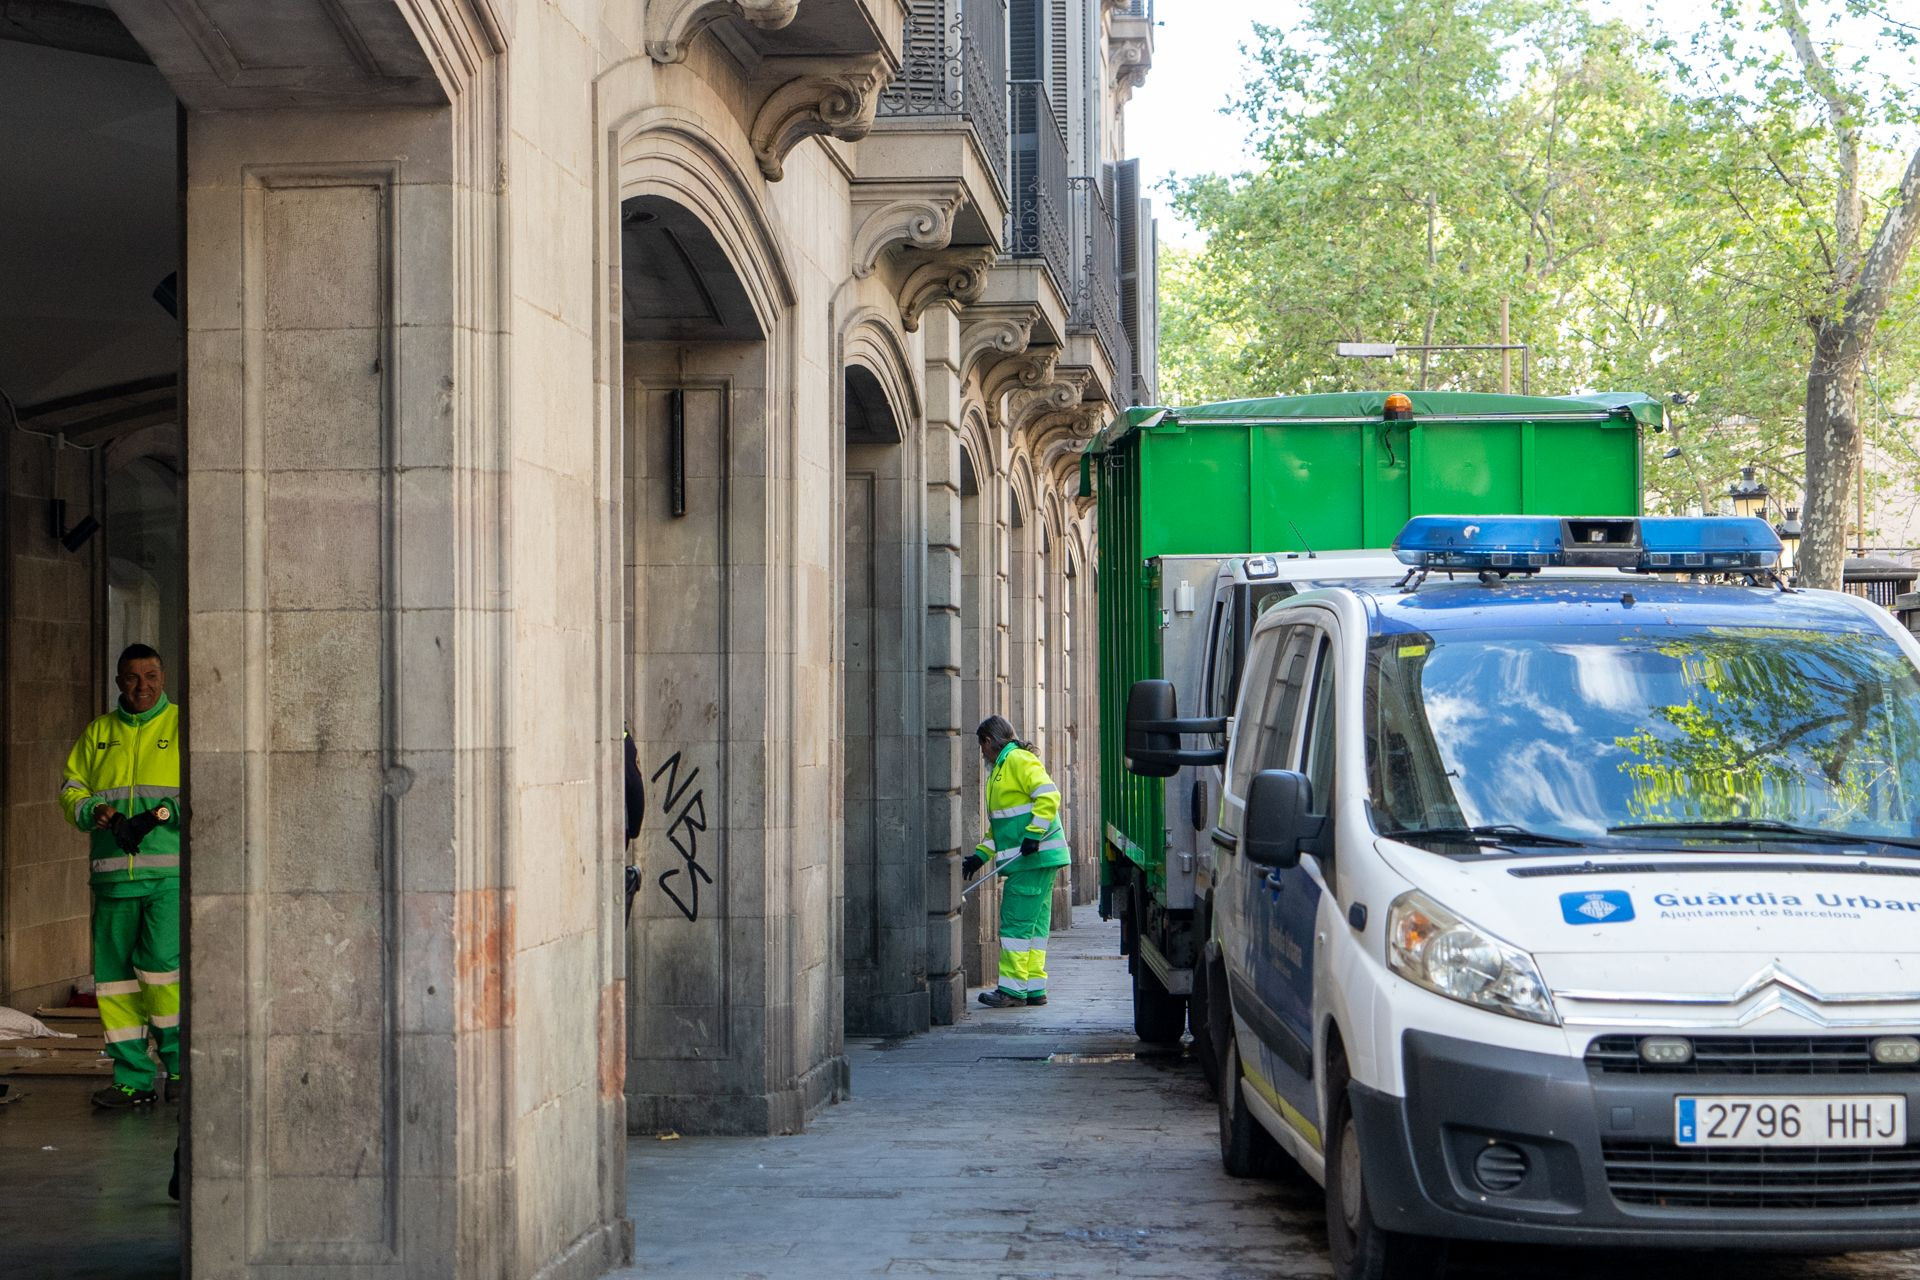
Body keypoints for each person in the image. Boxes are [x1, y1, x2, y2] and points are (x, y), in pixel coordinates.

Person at [60, 644, 183, 1109]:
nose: (142, 686)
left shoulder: (180, 725)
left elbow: (201, 788)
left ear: (163, 677)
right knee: (113, 983)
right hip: (112, 879)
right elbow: (72, 789)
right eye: (132, 678)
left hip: (166, 879)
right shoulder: (98, 733)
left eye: (150, 676)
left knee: (160, 973)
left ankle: (178, 1068)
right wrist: (97, 810)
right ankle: (131, 1078)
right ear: (118, 683)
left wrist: (158, 816)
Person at [962, 716, 1070, 1008]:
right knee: (1034, 928)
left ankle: (1011, 991)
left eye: (981, 746)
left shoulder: (1017, 761)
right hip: (1038, 860)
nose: (981, 754)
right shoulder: (1003, 767)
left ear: (988, 741)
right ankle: (1034, 988)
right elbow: (1001, 826)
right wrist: (979, 857)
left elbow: (1049, 795)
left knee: (1015, 925)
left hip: (1032, 859)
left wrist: (1034, 834)